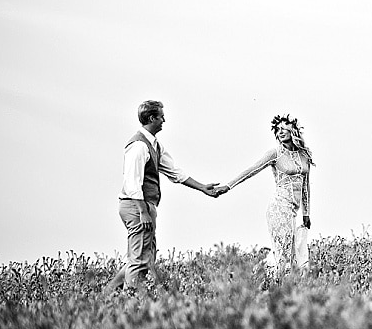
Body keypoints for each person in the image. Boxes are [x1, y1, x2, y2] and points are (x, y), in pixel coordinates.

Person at [106, 100, 222, 295]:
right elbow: (132, 183)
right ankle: (129, 304)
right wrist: (143, 212)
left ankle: (106, 296)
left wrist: (203, 188)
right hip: (137, 206)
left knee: (145, 257)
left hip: (144, 206)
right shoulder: (138, 146)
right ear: (152, 118)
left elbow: (174, 172)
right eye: (161, 116)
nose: (164, 120)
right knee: (139, 260)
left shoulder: (155, 145)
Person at [216, 114, 314, 277]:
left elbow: (306, 187)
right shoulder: (275, 153)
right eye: (278, 129)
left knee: (291, 251)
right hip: (279, 208)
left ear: (293, 130)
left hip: (293, 211)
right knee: (285, 251)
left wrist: (306, 213)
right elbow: (251, 170)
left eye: (284, 128)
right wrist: (228, 186)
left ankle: (250, 277)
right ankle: (267, 282)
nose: (281, 131)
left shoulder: (304, 156)